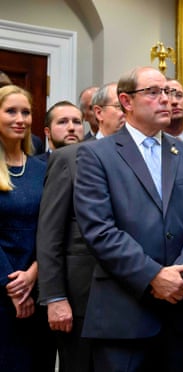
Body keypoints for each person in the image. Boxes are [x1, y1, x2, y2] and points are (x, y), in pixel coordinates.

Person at [73, 66, 183, 372]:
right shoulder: (96, 156)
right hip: (124, 315)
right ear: (126, 101)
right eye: (153, 93)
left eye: (168, 92)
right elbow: (99, 230)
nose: (166, 100)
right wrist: (153, 275)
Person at [37, 83, 126, 372]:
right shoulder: (69, 157)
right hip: (81, 299)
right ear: (99, 113)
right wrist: (54, 296)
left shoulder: (141, 158)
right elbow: (50, 234)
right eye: (120, 106)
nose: (127, 112)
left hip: (131, 296)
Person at [0, 85, 56, 371]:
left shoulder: (41, 168)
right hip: (3, 289)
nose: (20, 119)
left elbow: (52, 226)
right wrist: (12, 285)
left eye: (25, 112)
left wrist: (34, 272)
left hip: (39, 286)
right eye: (10, 111)